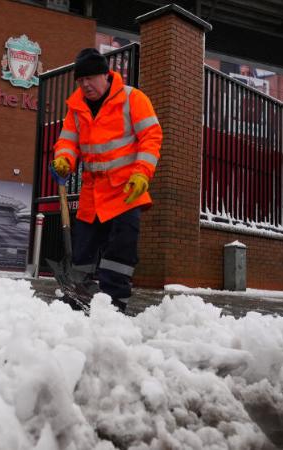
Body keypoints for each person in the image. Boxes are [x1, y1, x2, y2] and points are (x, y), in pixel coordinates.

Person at [51, 48, 162, 313]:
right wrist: (64, 158)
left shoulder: (132, 98)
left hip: (126, 190)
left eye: (90, 78)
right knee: (83, 251)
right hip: (93, 191)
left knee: (121, 249)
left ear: (105, 75)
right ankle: (77, 299)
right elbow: (67, 140)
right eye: (80, 80)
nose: (85, 85)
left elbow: (151, 136)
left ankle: (114, 303)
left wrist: (141, 173)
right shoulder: (75, 108)